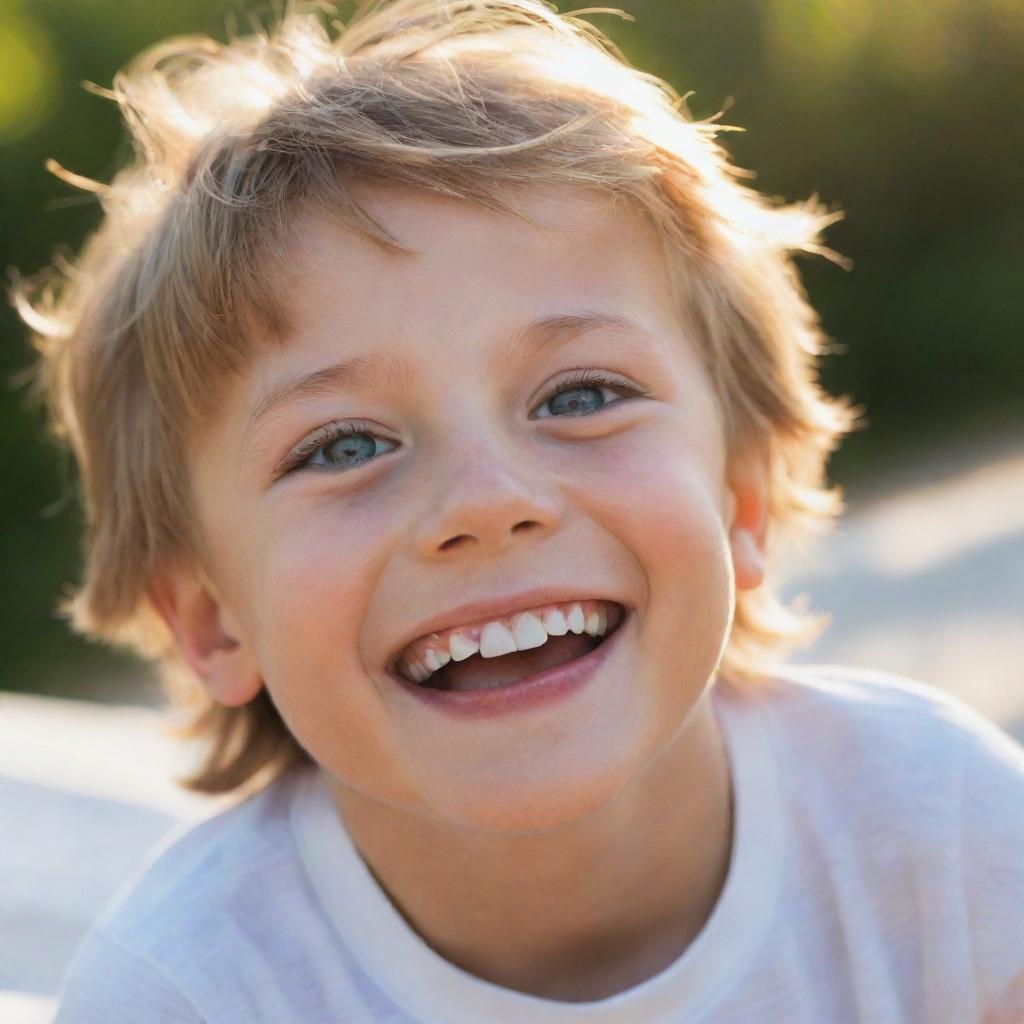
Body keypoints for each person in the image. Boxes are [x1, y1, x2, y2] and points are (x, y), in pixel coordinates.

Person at [15, 1, 1023, 1020]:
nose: (489, 504)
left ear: (740, 497)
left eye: (579, 396)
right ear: (209, 618)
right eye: (345, 446)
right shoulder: (184, 994)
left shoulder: (941, 831)